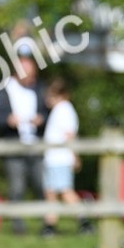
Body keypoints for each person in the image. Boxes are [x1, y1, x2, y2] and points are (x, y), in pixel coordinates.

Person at [0, 53, 47, 233]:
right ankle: (18, 225)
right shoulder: (2, 89)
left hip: (36, 143)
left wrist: (41, 118)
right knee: (17, 186)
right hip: (13, 143)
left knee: (42, 184)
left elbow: (48, 110)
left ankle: (48, 223)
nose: (31, 77)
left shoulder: (40, 89)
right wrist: (7, 120)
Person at [40, 79, 91, 237]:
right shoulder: (58, 110)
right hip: (52, 158)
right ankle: (50, 225)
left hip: (60, 158)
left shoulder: (65, 109)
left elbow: (70, 135)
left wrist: (74, 155)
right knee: (51, 193)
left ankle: (84, 221)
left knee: (66, 192)